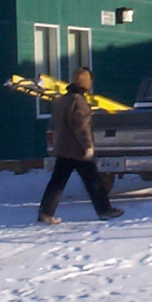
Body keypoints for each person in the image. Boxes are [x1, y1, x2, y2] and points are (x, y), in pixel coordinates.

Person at [38, 67, 124, 224]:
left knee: (57, 182)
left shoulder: (64, 99)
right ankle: (105, 211)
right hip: (78, 151)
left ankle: (45, 212)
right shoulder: (80, 101)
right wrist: (88, 146)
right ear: (86, 83)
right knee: (94, 182)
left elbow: (58, 122)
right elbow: (81, 126)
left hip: (63, 149)